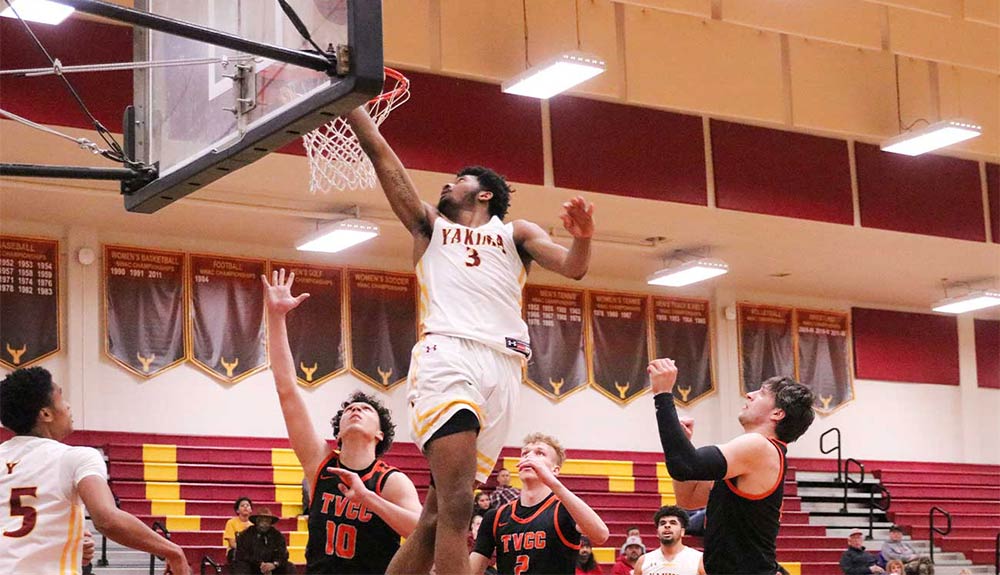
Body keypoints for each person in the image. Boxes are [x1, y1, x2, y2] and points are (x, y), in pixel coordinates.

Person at [346, 106, 595, 575]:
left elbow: (574, 266)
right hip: (449, 355)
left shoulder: (514, 233)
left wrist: (583, 238)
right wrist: (354, 106)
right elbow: (381, 156)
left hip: (504, 368)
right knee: (459, 506)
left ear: (483, 193)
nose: (445, 185)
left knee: (438, 514)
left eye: (456, 180)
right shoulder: (429, 226)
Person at [262, 270, 422, 574]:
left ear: (379, 434)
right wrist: (276, 317)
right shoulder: (320, 463)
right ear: (338, 431)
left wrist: (369, 500)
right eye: (349, 409)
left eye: (365, 409)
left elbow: (421, 530)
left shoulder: (391, 481)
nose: (355, 410)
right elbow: (287, 389)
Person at [0, 367, 190, 575]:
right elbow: (107, 519)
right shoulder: (76, 457)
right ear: (45, 414)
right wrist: (173, 551)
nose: (68, 406)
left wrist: (68, 545)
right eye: (62, 399)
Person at [649, 358, 816, 575]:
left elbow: (684, 465)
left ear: (777, 413)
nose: (750, 394)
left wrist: (662, 395)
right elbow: (688, 498)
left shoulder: (760, 446)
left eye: (762, 393)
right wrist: (683, 442)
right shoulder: (752, 455)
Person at [470, 433, 609, 575]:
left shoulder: (565, 509)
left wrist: (553, 483)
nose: (529, 457)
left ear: (555, 470)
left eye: (539, 453)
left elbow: (601, 535)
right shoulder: (496, 517)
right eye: (525, 453)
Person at [633, 506, 704, 575]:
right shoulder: (643, 561)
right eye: (662, 523)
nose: (667, 526)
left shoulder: (699, 559)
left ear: (682, 532)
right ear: (657, 532)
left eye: (673, 523)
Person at [231, 507, 290, 575]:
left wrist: (274, 564)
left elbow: (283, 554)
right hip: (251, 565)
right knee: (240, 566)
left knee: (289, 567)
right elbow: (242, 554)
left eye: (267, 521)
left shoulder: (277, 535)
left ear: (271, 523)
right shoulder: (246, 534)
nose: (264, 524)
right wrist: (260, 564)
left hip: (272, 566)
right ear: (256, 521)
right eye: (262, 521)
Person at [224, 497, 253, 563]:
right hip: (235, 552)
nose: (245, 507)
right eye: (242, 505)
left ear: (251, 510)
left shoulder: (253, 525)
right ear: (237, 510)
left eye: (248, 505)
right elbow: (232, 544)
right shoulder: (231, 522)